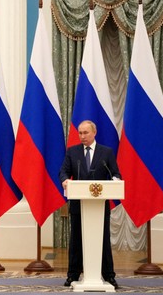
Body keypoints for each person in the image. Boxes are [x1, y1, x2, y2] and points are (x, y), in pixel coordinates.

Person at [59, 120, 120, 289]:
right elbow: (63, 171)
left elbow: (115, 173)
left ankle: (109, 276)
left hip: (100, 207)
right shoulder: (73, 152)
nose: (82, 136)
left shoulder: (106, 152)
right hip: (79, 205)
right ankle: (73, 275)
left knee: (103, 241)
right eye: (80, 133)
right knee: (76, 240)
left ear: (94, 133)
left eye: (85, 133)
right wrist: (64, 180)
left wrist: (115, 181)